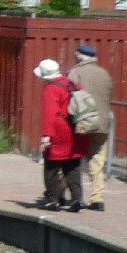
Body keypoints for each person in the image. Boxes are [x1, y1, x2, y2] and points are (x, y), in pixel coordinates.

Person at [34, 58, 88, 211]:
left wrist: (46, 136)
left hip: (60, 132)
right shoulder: (71, 84)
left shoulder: (51, 89)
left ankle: (53, 200)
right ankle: (77, 199)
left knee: (51, 166)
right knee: (72, 166)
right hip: (76, 130)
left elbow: (50, 114)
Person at [69, 43, 112, 212]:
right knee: (97, 162)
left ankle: (70, 195)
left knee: (72, 159)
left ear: (80, 56)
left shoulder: (76, 72)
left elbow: (70, 96)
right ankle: (97, 198)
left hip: (82, 122)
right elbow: (109, 96)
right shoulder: (105, 74)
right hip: (101, 124)